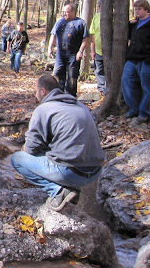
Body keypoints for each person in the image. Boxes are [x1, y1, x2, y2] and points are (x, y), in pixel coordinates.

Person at [11, 74, 105, 212]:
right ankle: (71, 189)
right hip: (95, 171)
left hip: (71, 173)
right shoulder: (80, 106)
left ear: (43, 91)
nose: (35, 96)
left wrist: (23, 148)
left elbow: (31, 148)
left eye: (35, 92)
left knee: (17, 159)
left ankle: (58, 191)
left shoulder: (43, 109)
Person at [121, 0, 150, 123]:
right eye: (136, 9)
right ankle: (133, 108)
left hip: (147, 61)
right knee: (126, 82)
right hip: (132, 59)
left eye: (139, 9)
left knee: (147, 88)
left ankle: (144, 113)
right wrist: (130, 24)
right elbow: (129, 36)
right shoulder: (135, 24)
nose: (137, 11)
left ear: (146, 10)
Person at [47, 3, 89, 96]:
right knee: (57, 73)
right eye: (63, 12)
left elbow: (85, 38)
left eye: (67, 12)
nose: (64, 14)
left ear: (73, 12)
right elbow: (53, 35)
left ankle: (70, 96)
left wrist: (80, 51)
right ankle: (58, 95)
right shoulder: (59, 22)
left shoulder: (80, 23)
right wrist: (50, 48)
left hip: (73, 54)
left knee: (72, 76)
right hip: (60, 54)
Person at [89, 0, 106, 95]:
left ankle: (107, 89)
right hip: (98, 50)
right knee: (99, 70)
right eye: (100, 6)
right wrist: (92, 50)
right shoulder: (96, 17)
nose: (100, 8)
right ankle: (102, 90)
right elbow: (92, 34)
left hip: (110, 51)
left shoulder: (113, 16)